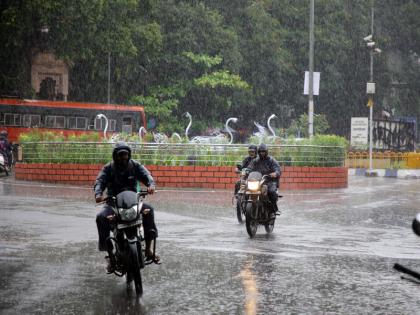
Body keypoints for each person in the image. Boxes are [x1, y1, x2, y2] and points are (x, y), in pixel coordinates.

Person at [94, 141, 159, 272]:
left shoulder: (134, 165)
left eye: (125, 154)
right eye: (120, 154)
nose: (123, 157)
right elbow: (99, 181)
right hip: (113, 203)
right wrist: (98, 194)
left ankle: (149, 249)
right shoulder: (108, 168)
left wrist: (151, 185)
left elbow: (147, 175)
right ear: (115, 155)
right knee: (101, 217)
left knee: (149, 210)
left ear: (129, 155)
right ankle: (110, 255)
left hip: (134, 202)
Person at [248, 143, 281, 218]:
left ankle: (274, 210)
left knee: (272, 191)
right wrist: (247, 171)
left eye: (263, 151)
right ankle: (246, 207)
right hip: (258, 180)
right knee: (248, 188)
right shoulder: (256, 160)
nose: (262, 153)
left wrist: (275, 173)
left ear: (266, 152)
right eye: (260, 151)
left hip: (270, 181)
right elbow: (250, 167)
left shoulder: (271, 160)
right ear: (258, 152)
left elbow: (277, 169)